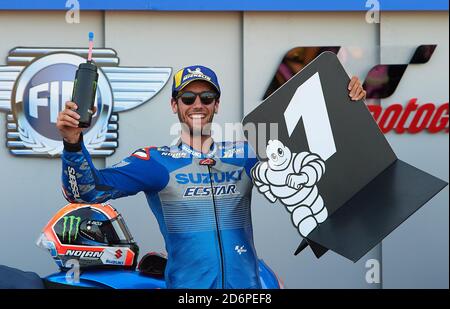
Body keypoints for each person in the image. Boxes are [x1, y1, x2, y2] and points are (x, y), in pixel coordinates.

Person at [57, 65, 366, 289]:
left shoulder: (247, 152)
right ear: (174, 105)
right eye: (188, 97)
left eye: (206, 97)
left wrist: (348, 104)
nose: (198, 104)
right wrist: (72, 142)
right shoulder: (156, 161)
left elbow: (319, 153)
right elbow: (86, 192)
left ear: (217, 104)